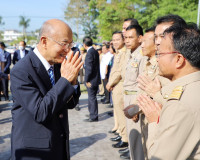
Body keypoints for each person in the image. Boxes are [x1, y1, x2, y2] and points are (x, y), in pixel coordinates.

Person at [10, 19, 83, 160]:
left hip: (58, 146)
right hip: (34, 152)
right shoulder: (22, 70)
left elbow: (70, 103)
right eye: (64, 44)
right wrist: (65, 80)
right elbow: (40, 112)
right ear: (44, 41)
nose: (68, 50)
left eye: (71, 44)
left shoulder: (57, 65)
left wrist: (73, 82)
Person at [138, 23, 200, 160]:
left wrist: (154, 121)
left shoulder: (180, 104)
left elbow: (158, 157)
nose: (157, 59)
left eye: (159, 54)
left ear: (178, 60)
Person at [123, 24, 145, 160]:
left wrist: (136, 107)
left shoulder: (141, 56)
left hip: (134, 99)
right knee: (132, 137)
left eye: (131, 37)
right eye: (125, 37)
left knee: (137, 140)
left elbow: (141, 84)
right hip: (128, 97)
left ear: (140, 38)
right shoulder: (131, 55)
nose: (127, 40)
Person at [83, 36, 101, 122]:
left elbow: (89, 68)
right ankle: (92, 114)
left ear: (84, 44)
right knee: (92, 97)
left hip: (91, 79)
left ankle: (93, 116)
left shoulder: (90, 52)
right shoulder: (94, 51)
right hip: (95, 78)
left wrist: (86, 80)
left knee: (91, 97)